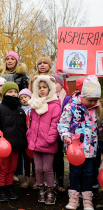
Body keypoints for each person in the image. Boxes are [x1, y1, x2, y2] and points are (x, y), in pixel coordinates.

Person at [58, 75, 103, 210]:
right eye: (90, 100)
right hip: (75, 149)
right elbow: (63, 123)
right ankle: (73, 199)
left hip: (90, 148)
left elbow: (99, 127)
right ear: (83, 96)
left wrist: (97, 134)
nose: (92, 102)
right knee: (75, 173)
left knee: (89, 173)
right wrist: (66, 135)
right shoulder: (72, 106)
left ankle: (87, 200)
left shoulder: (98, 108)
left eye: (95, 100)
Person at [0, 82, 27, 202]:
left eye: (15, 92)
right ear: (4, 93)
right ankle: (1, 189)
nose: (13, 94)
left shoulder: (20, 110)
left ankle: (9, 188)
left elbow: (23, 128)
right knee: (3, 168)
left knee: (12, 168)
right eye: (10, 92)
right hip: (3, 147)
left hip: (16, 146)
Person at [27, 75, 61, 205]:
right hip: (35, 142)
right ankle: (41, 188)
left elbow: (54, 124)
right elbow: (32, 123)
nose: (42, 90)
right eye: (39, 87)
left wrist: (50, 138)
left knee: (48, 168)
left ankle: (50, 190)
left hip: (47, 142)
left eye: (44, 87)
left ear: (50, 89)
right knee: (38, 168)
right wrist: (30, 135)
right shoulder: (35, 104)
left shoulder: (54, 105)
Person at [50, 73, 71, 193]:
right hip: (49, 133)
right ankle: (51, 180)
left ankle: (60, 180)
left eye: (56, 83)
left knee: (59, 158)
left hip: (60, 134)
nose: (53, 85)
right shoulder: (47, 98)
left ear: (61, 85)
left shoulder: (67, 99)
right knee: (50, 158)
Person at [18, 88, 36, 189]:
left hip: (33, 137)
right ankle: (26, 179)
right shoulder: (20, 110)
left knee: (34, 159)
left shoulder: (34, 108)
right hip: (24, 137)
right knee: (26, 159)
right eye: (21, 98)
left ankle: (34, 179)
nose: (24, 99)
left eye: (26, 97)